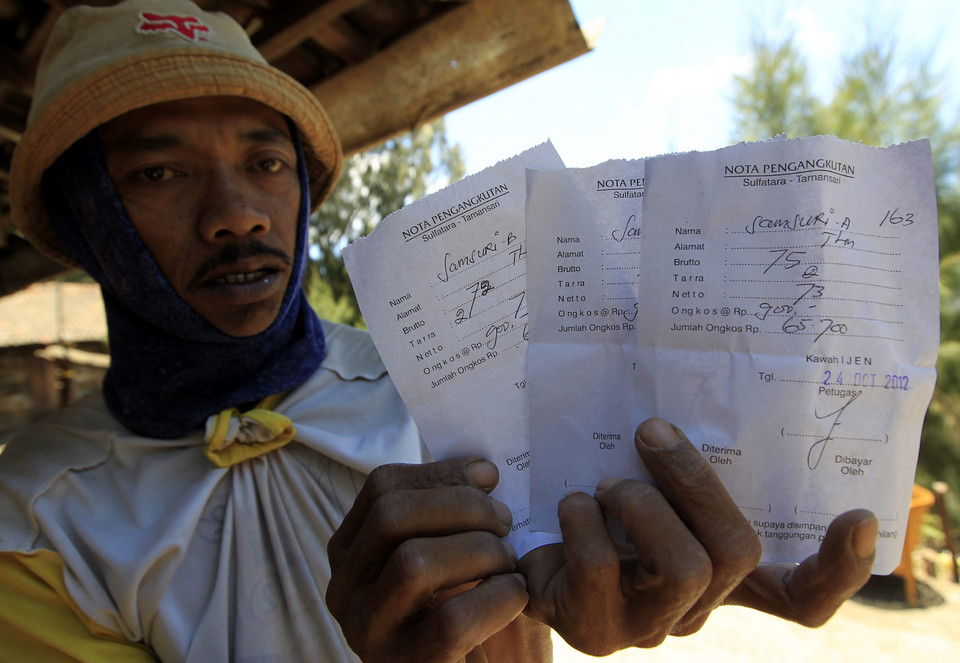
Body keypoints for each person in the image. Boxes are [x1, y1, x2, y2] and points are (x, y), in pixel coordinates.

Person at [0, 1, 879, 661]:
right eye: (158, 171)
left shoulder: (435, 377)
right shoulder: (30, 522)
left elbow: (583, 567)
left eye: (267, 162)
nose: (237, 215)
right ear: (87, 220)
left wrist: (665, 570)